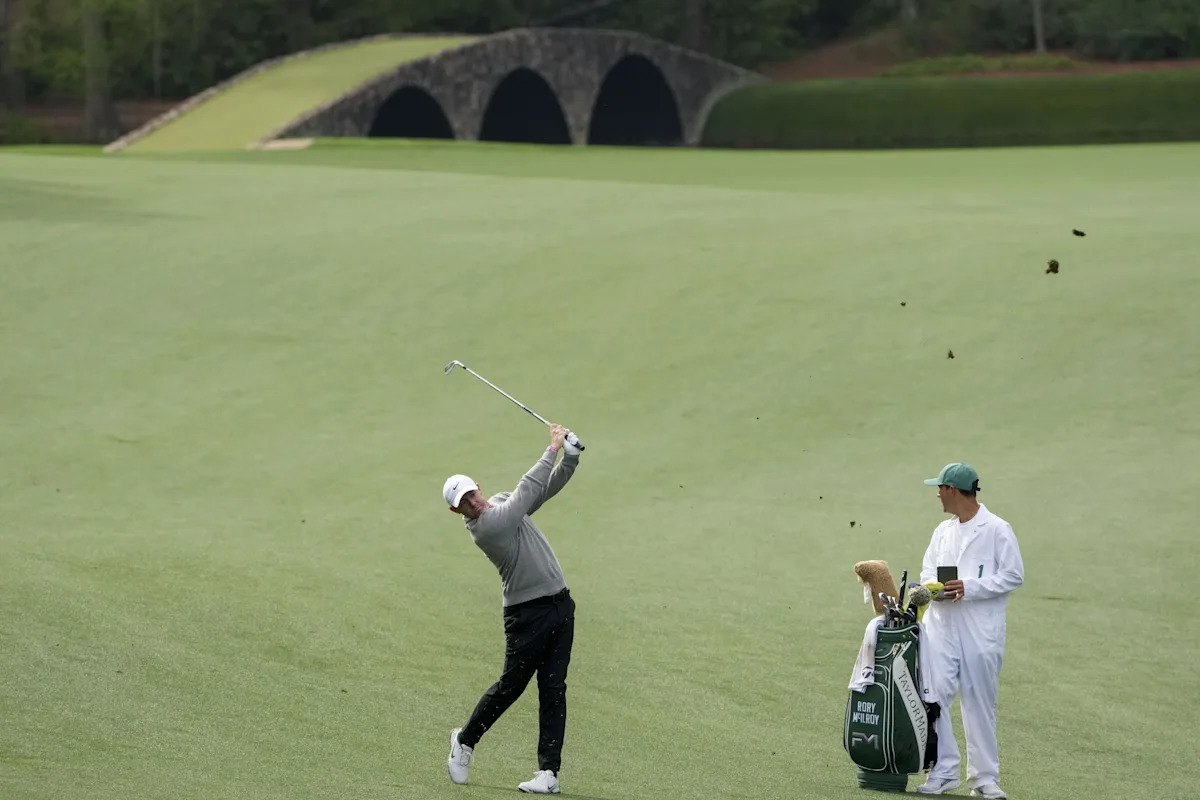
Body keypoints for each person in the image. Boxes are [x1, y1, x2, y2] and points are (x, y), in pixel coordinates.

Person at [443, 423, 582, 795]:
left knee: (554, 689)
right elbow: (528, 488)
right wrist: (552, 448)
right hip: (527, 615)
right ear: (457, 511)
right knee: (511, 687)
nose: (473, 503)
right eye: (464, 502)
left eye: (472, 494)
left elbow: (541, 490)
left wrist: (569, 460)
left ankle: (548, 773)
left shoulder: (503, 502)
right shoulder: (485, 528)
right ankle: (465, 741)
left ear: (478, 487)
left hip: (560, 605)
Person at [917, 462, 1024, 799]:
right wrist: (934, 589)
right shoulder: (942, 531)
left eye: (939, 488)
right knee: (934, 695)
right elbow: (927, 572)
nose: (937, 494)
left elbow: (1013, 575)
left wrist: (970, 587)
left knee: (979, 699)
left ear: (952, 490)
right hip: (941, 624)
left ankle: (984, 778)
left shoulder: (997, 529)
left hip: (980, 629)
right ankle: (942, 770)